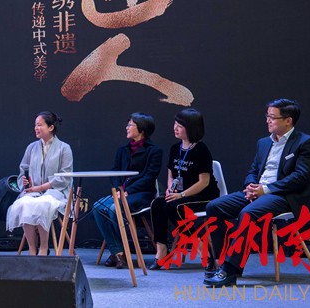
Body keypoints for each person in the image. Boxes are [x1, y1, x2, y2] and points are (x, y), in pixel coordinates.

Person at [204, 99, 310, 287]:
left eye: (272, 117)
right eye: (267, 116)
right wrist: (251, 186)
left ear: (288, 120)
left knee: (248, 213)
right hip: (258, 191)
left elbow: (301, 177)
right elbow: (253, 170)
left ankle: (230, 270)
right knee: (214, 206)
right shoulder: (264, 143)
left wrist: (265, 189)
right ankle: (219, 261)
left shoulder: (306, 143)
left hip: (284, 196)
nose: (268, 120)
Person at [149, 108, 219, 270]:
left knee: (174, 207)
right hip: (180, 194)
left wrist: (181, 195)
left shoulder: (201, 150)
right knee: (158, 203)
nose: (175, 128)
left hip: (203, 195)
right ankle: (161, 251)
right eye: (175, 124)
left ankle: (202, 248)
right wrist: (170, 190)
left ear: (192, 128)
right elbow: (171, 175)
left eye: (180, 126)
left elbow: (204, 182)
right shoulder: (175, 148)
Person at [93, 113, 162, 269]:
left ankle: (119, 252)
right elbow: (115, 172)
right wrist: (118, 189)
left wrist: (128, 191)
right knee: (97, 207)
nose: (127, 128)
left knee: (114, 208)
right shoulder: (123, 150)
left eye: (130, 125)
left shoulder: (154, 151)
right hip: (121, 192)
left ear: (141, 128)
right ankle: (118, 252)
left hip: (142, 194)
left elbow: (149, 177)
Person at [6, 111, 73, 256]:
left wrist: (41, 187)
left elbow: (65, 177)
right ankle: (32, 248)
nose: (36, 128)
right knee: (23, 204)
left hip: (56, 192)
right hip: (33, 191)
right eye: (35, 125)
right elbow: (22, 170)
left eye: (39, 125)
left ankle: (43, 247)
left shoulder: (64, 148)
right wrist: (25, 182)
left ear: (51, 127)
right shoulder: (31, 147)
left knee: (43, 204)